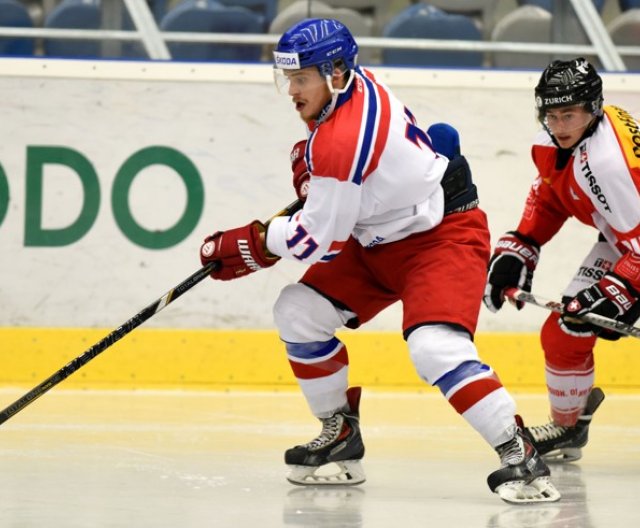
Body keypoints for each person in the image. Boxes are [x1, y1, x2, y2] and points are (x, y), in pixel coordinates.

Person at [199, 18, 559, 504]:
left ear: (337, 71)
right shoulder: (346, 94)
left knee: (434, 348)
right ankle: (340, 436)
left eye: (301, 77)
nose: (291, 90)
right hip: (377, 238)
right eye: (288, 77)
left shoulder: (342, 137)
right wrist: (316, 192)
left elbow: (317, 241)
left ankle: (521, 453)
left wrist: (255, 242)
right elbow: (343, 206)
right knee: (299, 312)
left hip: (440, 237)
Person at [483, 57, 640, 462]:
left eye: (568, 114)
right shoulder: (554, 142)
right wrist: (522, 244)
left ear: (593, 108)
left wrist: (623, 288)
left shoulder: (611, 162)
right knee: (563, 331)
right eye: (551, 114)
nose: (559, 126)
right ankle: (568, 429)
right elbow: (552, 196)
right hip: (627, 241)